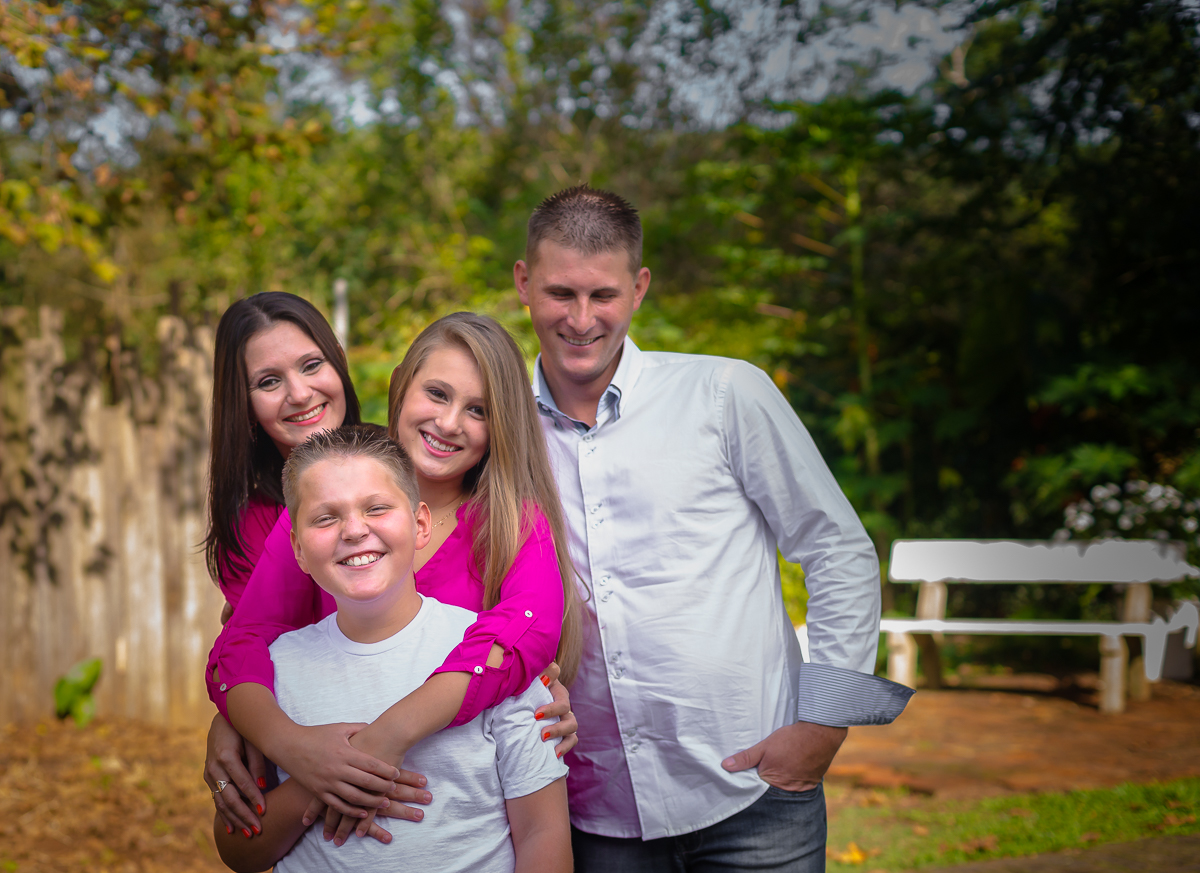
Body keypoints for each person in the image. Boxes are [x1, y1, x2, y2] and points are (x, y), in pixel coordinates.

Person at [512, 186, 913, 872]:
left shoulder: (726, 395)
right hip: (591, 804)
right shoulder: (500, 425)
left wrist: (821, 727)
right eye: (560, 293)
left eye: (603, 295)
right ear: (523, 283)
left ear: (639, 288)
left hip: (755, 793)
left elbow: (836, 548)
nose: (581, 319)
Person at [204, 310, 581, 844]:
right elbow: (246, 640)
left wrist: (386, 738)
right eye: (437, 394)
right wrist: (281, 739)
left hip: (461, 814)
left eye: (478, 410)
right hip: (326, 821)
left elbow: (524, 634)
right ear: (401, 385)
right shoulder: (326, 514)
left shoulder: (511, 522)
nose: (449, 423)